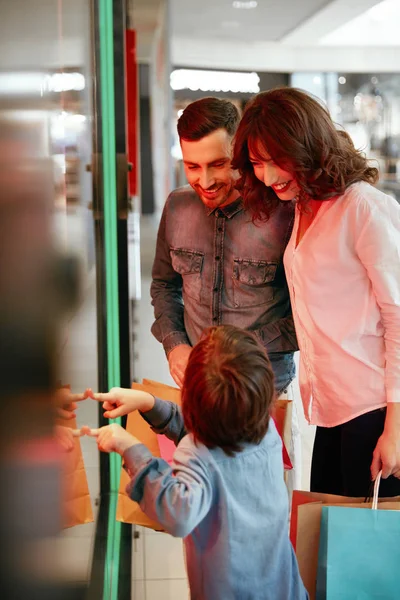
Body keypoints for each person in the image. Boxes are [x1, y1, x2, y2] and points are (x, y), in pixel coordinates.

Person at [232, 86, 400, 497]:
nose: (268, 177)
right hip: (328, 408)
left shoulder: (362, 208)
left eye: (276, 160)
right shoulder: (304, 205)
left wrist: (396, 428)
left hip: (372, 408)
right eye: (257, 163)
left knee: (368, 553)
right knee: (328, 541)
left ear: (308, 146)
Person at [85, 325, 308, 600]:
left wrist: (131, 448)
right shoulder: (264, 429)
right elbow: (215, 423)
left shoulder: (197, 453)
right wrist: (149, 403)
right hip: (284, 587)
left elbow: (179, 512)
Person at [151, 97, 301, 491]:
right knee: (199, 511)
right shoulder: (177, 208)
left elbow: (309, 316)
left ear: (240, 152)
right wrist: (175, 346)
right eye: (192, 166)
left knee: (263, 514)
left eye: (218, 164)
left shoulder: (284, 213)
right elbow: (164, 285)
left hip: (266, 394)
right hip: (198, 394)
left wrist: (240, 352)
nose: (205, 180)